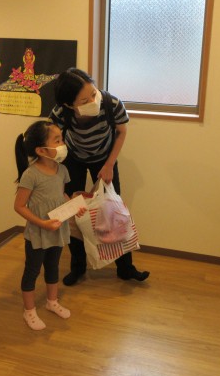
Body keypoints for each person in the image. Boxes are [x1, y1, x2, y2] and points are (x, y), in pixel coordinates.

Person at [50, 67, 150, 286]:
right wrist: (57, 175)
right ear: (69, 104)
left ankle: (125, 268)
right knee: (74, 212)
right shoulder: (60, 113)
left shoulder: (111, 103)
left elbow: (121, 132)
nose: (93, 101)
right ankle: (78, 267)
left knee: (114, 212)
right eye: (84, 100)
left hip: (105, 158)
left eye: (93, 93)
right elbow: (54, 141)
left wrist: (109, 164)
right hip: (73, 159)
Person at [14, 121, 86, 330]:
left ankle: (51, 301)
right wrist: (42, 223)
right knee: (32, 271)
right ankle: (29, 310)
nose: (63, 144)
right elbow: (19, 206)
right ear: (41, 150)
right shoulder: (31, 174)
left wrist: (74, 207)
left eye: (61, 139)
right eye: (57, 140)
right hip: (38, 233)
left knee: (53, 266)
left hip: (57, 229)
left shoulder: (62, 169)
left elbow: (60, 195)